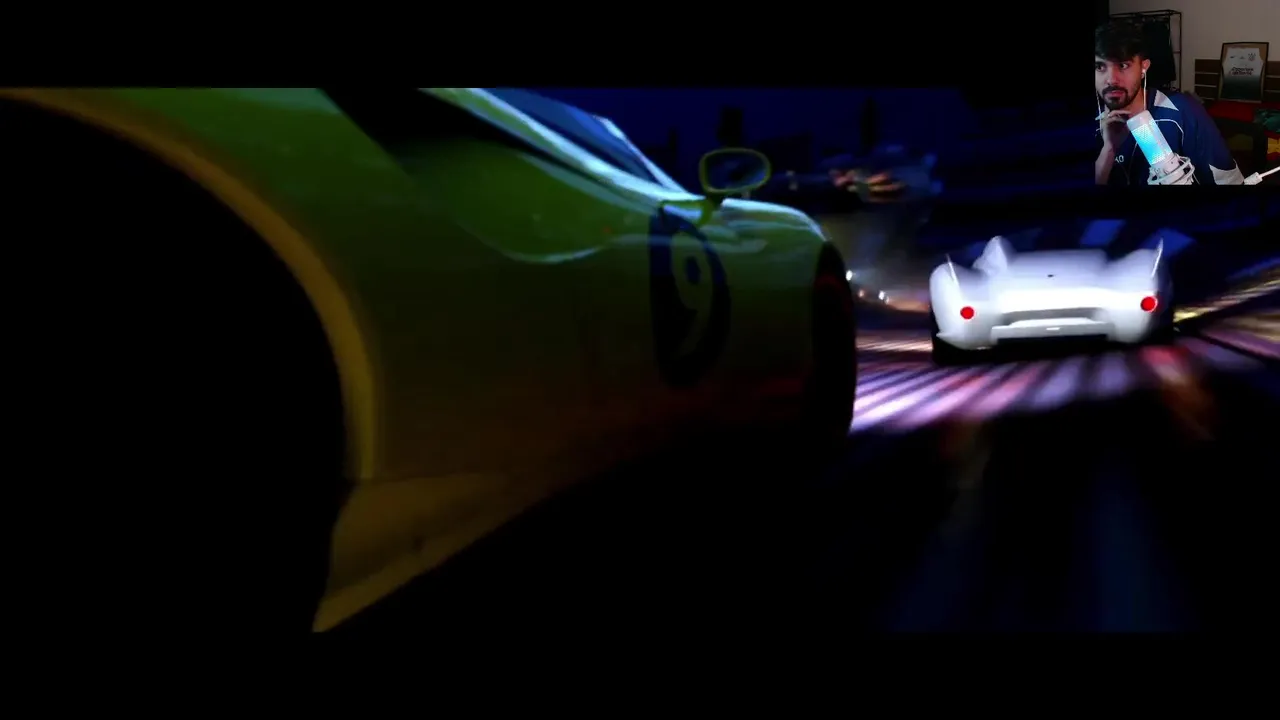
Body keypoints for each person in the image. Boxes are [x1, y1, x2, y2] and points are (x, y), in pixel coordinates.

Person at [1094, 21, 1245, 186]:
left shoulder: (1183, 111)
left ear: (1144, 67)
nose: (1111, 80)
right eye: (1099, 67)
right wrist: (1108, 151)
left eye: (1123, 65)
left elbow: (1229, 180)